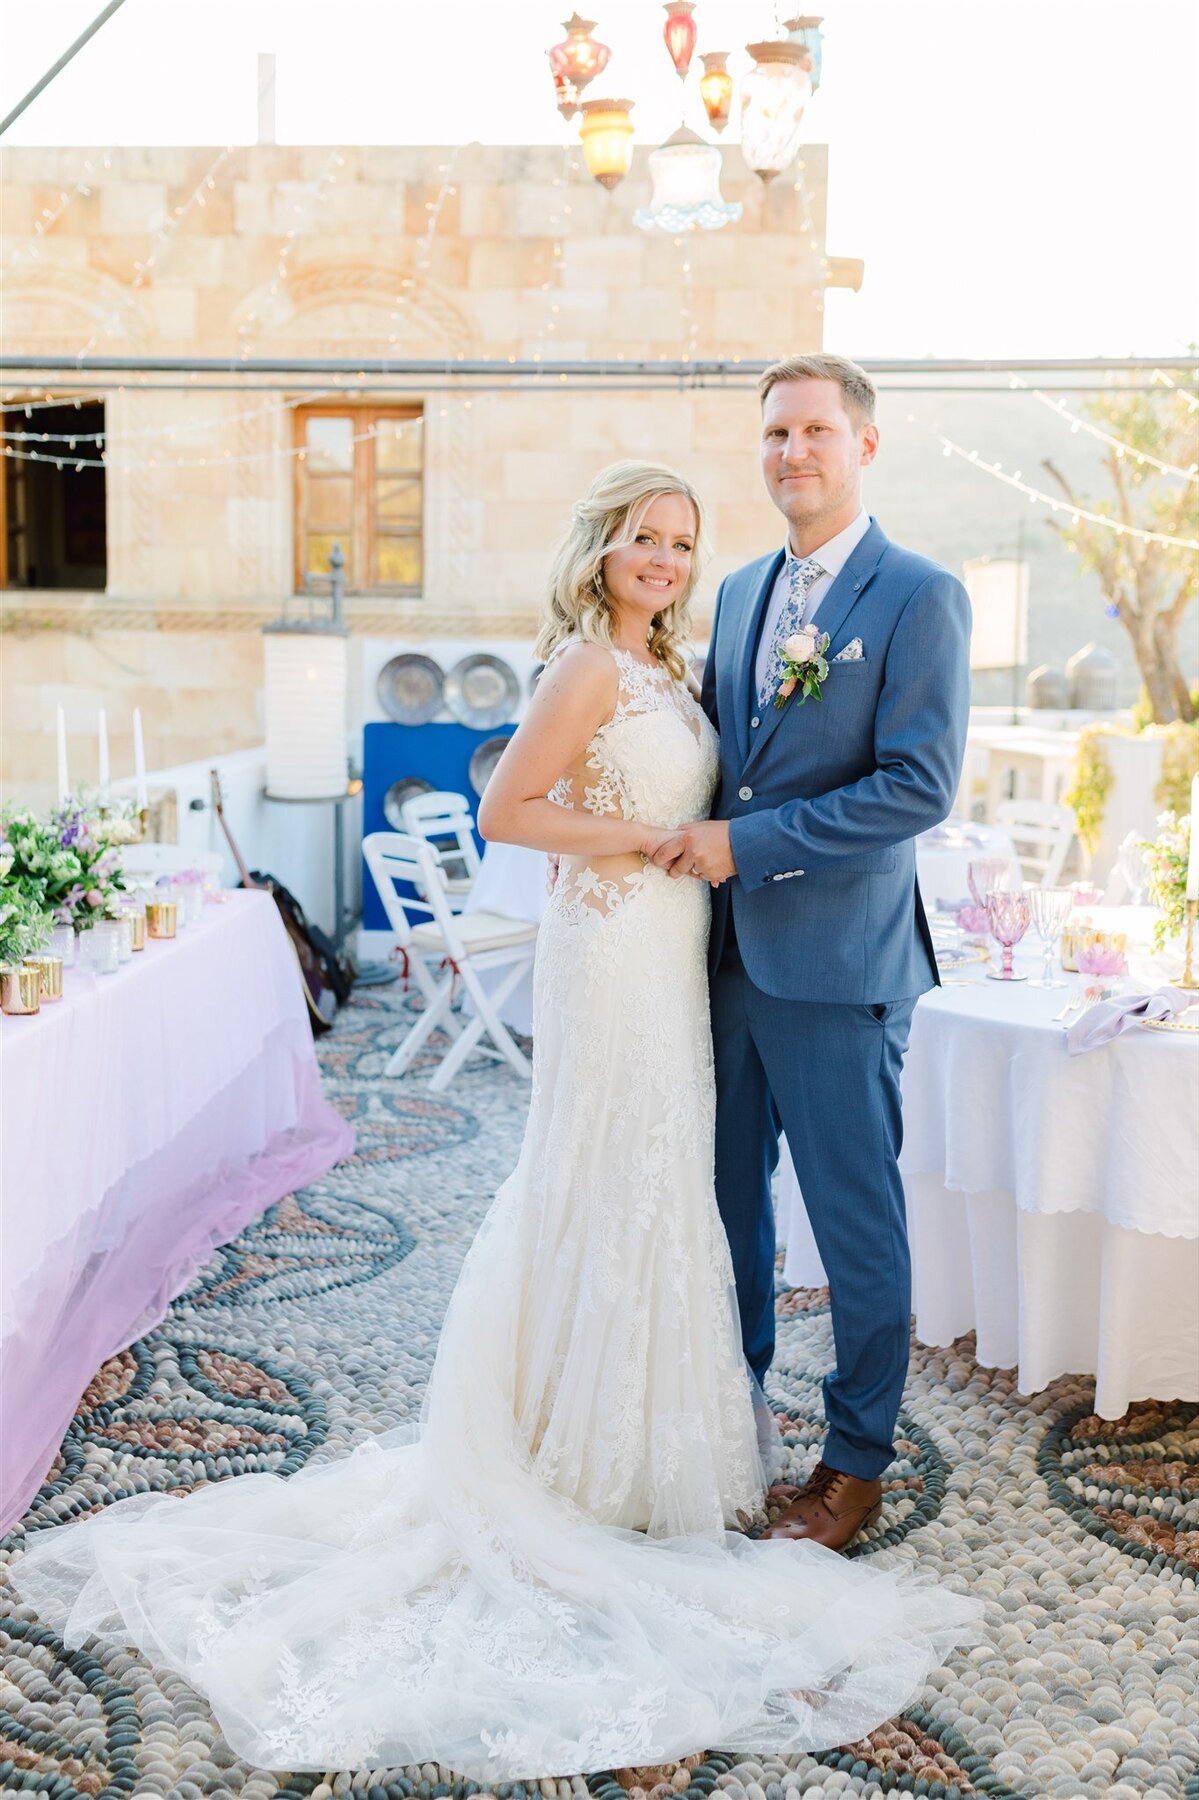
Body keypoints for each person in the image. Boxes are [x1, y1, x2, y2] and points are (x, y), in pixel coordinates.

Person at [13, 459, 977, 1781]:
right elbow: (505, 807)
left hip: (683, 949)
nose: (665, 558)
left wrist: (682, 843)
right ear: (601, 550)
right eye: (644, 537)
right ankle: (574, 1454)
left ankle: (655, 1444)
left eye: (680, 542)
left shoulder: (678, 661)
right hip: (617, 939)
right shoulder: (588, 665)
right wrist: (638, 840)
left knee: (664, 1183)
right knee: (606, 1172)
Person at [651, 354, 972, 1554]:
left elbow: (917, 788)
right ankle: (734, 1424)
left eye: (817, 432)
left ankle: (854, 1463)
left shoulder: (916, 595)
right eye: (776, 433)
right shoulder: (736, 593)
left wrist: (748, 842)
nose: (793, 452)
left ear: (865, 447)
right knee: (728, 1207)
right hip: (724, 962)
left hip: (841, 965)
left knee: (855, 1222)